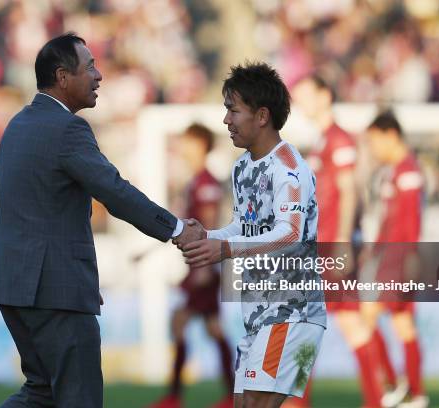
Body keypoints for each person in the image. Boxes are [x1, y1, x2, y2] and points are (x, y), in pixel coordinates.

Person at [0, 32, 203, 408]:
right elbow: (114, 191)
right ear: (62, 76)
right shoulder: (67, 129)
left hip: (15, 285)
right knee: (79, 397)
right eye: (89, 67)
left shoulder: (17, 126)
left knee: (40, 392)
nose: (99, 75)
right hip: (54, 288)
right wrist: (178, 229)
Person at [182, 62, 326, 408]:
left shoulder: (289, 169)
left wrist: (226, 248)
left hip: (294, 315)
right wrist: (209, 237)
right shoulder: (243, 167)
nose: (226, 120)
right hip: (260, 315)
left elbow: (290, 235)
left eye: (233, 110)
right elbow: (243, 225)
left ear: (262, 116)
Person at [290, 76, 385, 408]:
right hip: (322, 244)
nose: (299, 102)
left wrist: (343, 238)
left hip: (333, 245)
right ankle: (379, 400)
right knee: (348, 323)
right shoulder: (322, 141)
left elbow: (348, 190)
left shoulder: (338, 139)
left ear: (325, 95)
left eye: (304, 95)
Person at [150, 124, 233, 408]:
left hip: (202, 265)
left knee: (181, 322)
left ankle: (173, 397)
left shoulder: (206, 182)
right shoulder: (196, 180)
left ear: (200, 145)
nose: (183, 147)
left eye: (188, 142)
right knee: (213, 329)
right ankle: (232, 395)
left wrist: (203, 267)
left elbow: (209, 222)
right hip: (200, 264)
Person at [362, 110, 428, 408]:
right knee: (401, 324)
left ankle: (395, 385)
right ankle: (413, 392)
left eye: (375, 141)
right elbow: (389, 222)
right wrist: (374, 251)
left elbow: (409, 224)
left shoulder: (409, 171)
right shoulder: (395, 171)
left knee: (368, 314)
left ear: (391, 136)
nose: (373, 149)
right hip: (391, 258)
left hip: (400, 260)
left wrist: (407, 260)